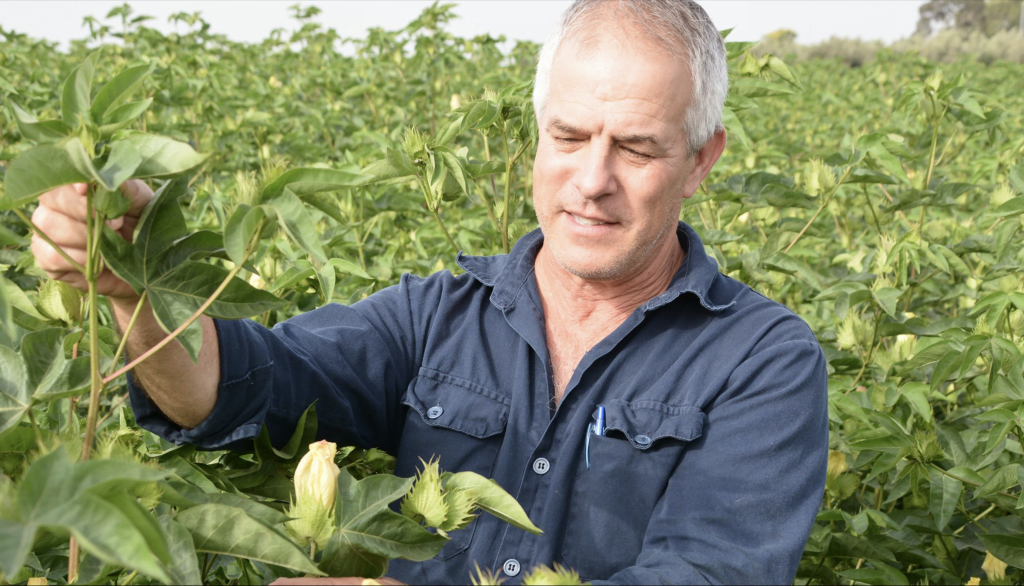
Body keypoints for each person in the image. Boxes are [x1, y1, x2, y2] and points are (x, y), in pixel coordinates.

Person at [30, 0, 828, 583]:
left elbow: (710, 575)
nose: (592, 180)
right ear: (537, 134)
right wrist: (135, 288)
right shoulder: (434, 317)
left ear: (701, 160)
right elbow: (233, 383)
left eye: (638, 149)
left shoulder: (760, 360)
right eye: (570, 136)